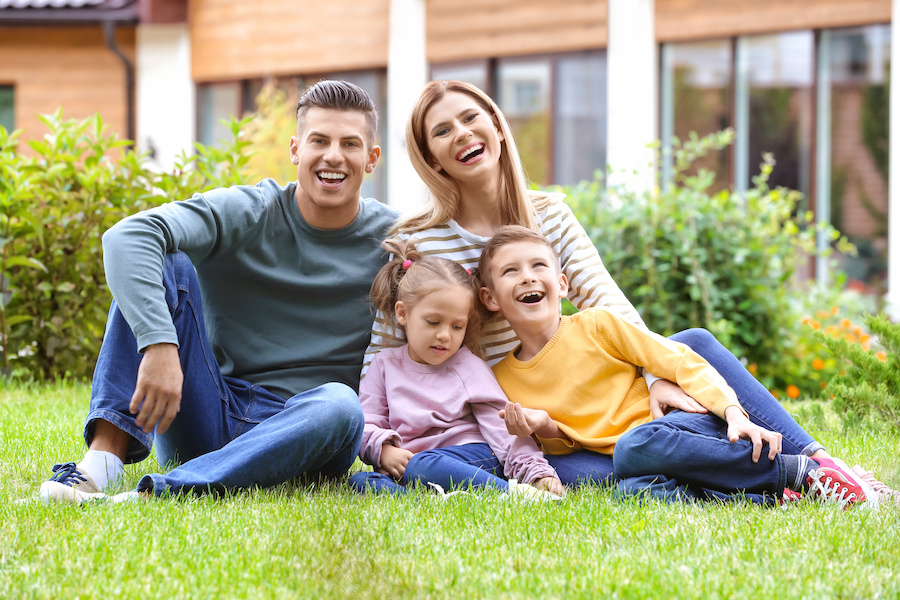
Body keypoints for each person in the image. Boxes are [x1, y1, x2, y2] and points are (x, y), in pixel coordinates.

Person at [363, 79, 898, 503]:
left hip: (600, 388)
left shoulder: (549, 212)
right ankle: (766, 488)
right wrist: (378, 440)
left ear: (498, 128)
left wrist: (651, 377)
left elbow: (605, 301)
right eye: (442, 131)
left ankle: (824, 468)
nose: (461, 133)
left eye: (471, 118)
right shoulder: (419, 238)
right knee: (622, 475)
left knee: (691, 342)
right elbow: (390, 347)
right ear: (431, 157)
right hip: (527, 421)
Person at [37, 80, 399, 503]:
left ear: (372, 158)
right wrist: (158, 344)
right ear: (295, 150)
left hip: (312, 434)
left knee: (341, 404)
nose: (333, 156)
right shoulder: (250, 210)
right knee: (167, 260)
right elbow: (127, 237)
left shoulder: (397, 240)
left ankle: (157, 495)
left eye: (350, 144)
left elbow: (467, 281)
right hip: (211, 413)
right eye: (319, 140)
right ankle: (99, 466)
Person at [479, 225, 878, 507]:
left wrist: (732, 412)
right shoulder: (503, 380)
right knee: (632, 492)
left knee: (633, 447)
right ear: (491, 298)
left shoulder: (596, 325)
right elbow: (570, 438)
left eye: (538, 266)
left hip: (679, 427)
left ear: (562, 284)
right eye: (510, 272)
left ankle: (800, 472)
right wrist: (544, 428)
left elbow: (679, 359)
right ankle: (768, 498)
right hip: (631, 458)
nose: (527, 278)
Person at [349, 239, 562, 499]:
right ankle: (422, 498)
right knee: (361, 481)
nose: (444, 336)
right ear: (403, 314)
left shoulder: (467, 365)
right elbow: (367, 422)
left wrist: (537, 472)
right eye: (433, 322)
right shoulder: (383, 365)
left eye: (456, 326)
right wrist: (384, 451)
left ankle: (512, 496)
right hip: (410, 465)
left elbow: (501, 428)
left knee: (423, 465)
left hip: (472, 457)